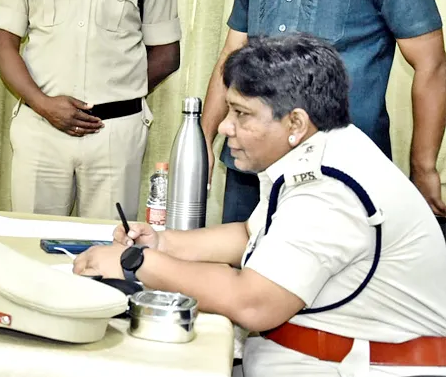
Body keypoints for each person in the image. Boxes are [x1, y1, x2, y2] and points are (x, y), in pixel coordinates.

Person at [74, 34, 446, 376]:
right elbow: (252, 234)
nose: (225, 127)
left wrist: (136, 263)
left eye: (242, 114)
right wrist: (164, 243)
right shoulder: (321, 147)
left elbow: (253, 303)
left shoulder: (329, 190)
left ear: (295, 122)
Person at [200, 0, 446, 224]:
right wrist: (203, 139)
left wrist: (423, 167)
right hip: (252, 162)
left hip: (340, 169)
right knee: (240, 251)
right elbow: (231, 53)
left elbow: (432, 65)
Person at [0, 0, 182, 221]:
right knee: (32, 238)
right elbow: (2, 45)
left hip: (114, 135)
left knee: (109, 241)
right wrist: (43, 104)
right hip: (41, 129)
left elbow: (167, 54)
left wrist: (116, 95)